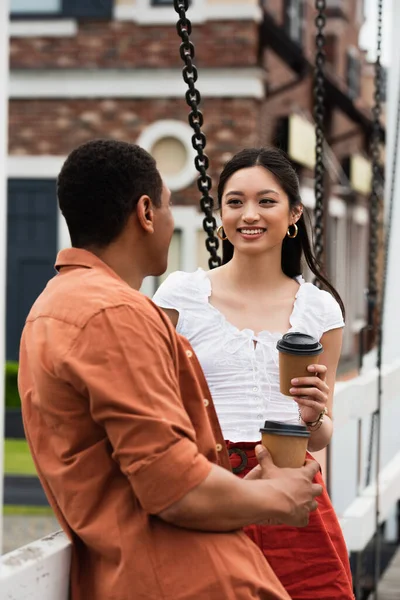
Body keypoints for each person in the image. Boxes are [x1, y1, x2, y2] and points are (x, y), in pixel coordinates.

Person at [18, 140, 323, 600]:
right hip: (187, 580)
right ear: (145, 212)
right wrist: (281, 498)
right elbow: (172, 488)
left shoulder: (57, 305)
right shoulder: (112, 313)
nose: (167, 220)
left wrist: (256, 482)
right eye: (166, 205)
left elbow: (133, 467)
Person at [153, 147, 354, 600]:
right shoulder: (181, 296)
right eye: (235, 202)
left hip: (290, 486)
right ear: (221, 212)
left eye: (266, 201)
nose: (249, 215)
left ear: (294, 213)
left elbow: (320, 436)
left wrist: (313, 414)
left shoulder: (320, 309)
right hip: (211, 488)